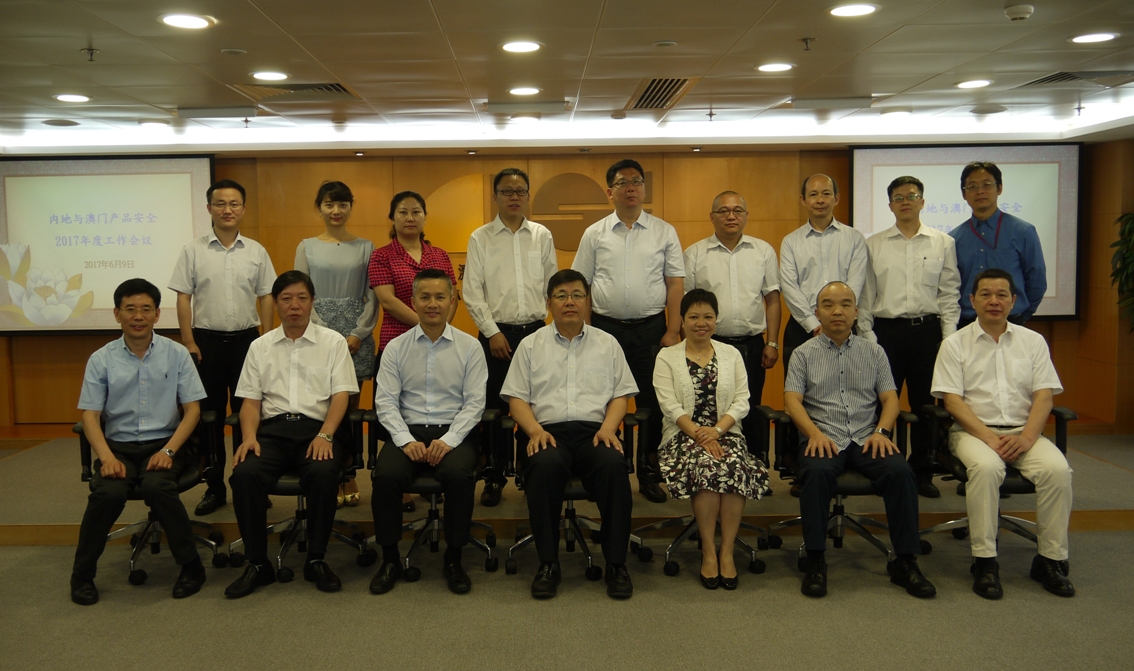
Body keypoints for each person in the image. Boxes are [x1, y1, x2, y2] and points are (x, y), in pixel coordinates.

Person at [784, 281, 935, 599]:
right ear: (817, 313)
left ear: (856, 312)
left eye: (844, 304)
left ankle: (905, 561)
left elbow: (891, 399)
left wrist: (882, 432)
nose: (836, 311)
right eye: (828, 305)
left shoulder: (874, 351)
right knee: (817, 472)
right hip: (823, 436)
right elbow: (792, 401)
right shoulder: (802, 354)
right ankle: (815, 559)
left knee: (901, 472)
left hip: (867, 437)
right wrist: (813, 434)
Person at [931, 268, 1074, 599]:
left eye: (1001, 295)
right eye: (985, 294)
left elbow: (1044, 397)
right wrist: (989, 438)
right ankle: (985, 561)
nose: (993, 301)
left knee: (1057, 471)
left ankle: (1050, 560)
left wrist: (1026, 438)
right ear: (972, 301)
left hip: (1024, 433)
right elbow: (952, 402)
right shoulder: (954, 344)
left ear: (1013, 301)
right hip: (972, 433)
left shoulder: (1033, 342)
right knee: (987, 468)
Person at [501, 269, 639, 600]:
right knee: (545, 466)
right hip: (546, 432)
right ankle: (548, 563)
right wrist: (534, 430)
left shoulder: (607, 343)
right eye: (561, 296)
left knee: (613, 466)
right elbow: (516, 398)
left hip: (595, 432)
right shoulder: (530, 345)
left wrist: (609, 428)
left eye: (577, 295)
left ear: (588, 301)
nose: (569, 302)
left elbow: (621, 395)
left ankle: (616, 564)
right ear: (549, 302)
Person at [71, 279, 208, 605]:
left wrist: (169, 450)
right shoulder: (101, 359)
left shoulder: (176, 354)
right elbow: (90, 416)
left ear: (157, 314)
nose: (138, 316)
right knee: (107, 492)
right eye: (130, 309)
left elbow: (193, 411)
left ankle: (191, 567)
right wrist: (106, 458)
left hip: (165, 444)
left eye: (146, 309)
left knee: (157, 486)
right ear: (117, 314)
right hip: (118, 448)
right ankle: (82, 574)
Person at [223, 270, 358, 598]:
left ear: (313, 302)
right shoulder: (260, 346)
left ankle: (316, 559)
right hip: (272, 432)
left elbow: (341, 395)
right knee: (245, 474)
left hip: (317, 429)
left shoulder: (333, 342)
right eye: (286, 299)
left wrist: (326, 435)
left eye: (301, 298)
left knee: (323, 472)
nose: (294, 305)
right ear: (275, 303)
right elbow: (250, 401)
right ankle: (258, 563)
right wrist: (249, 437)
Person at [368, 269, 488, 596]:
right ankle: (390, 559)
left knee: (460, 476)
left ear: (452, 301)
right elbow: (385, 401)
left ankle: (454, 559)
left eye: (439, 297)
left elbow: (475, 402)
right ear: (413, 301)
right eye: (425, 297)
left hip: (454, 432)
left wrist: (448, 441)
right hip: (407, 431)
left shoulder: (470, 347)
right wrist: (405, 440)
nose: (432, 304)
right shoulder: (395, 348)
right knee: (386, 476)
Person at [571, 158, 684, 504]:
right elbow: (581, 285)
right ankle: (608, 467)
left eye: (636, 182)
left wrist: (673, 330)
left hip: (652, 330)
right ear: (610, 192)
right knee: (602, 400)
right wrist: (585, 330)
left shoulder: (664, 231)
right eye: (623, 183)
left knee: (653, 403)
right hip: (605, 329)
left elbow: (675, 283)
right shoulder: (595, 233)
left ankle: (649, 471)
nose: (631, 188)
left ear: (644, 189)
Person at [169, 179, 277, 517]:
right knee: (210, 417)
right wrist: (188, 341)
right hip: (206, 343)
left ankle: (250, 483)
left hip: (248, 342)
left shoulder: (256, 251)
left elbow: (267, 296)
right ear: (209, 208)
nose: (227, 209)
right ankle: (214, 487)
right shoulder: (193, 250)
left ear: (243, 209)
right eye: (220, 204)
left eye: (234, 204)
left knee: (250, 414)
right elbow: (183, 297)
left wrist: (266, 339)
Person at [653, 289, 769, 590]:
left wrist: (717, 431)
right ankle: (708, 550)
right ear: (682, 320)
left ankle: (726, 552)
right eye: (693, 317)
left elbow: (742, 400)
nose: (701, 323)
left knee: (733, 465)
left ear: (716, 320)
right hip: (682, 435)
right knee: (707, 465)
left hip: (726, 432)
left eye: (708, 316)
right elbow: (669, 405)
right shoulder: (667, 356)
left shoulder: (732, 354)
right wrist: (700, 435)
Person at [858, 176, 962, 499]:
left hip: (927, 333)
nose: (906, 202)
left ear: (922, 202)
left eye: (912, 196)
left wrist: (948, 339)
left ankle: (922, 472)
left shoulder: (943, 242)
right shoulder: (873, 244)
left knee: (925, 406)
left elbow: (949, 294)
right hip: (885, 333)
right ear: (890, 205)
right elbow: (866, 295)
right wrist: (868, 337)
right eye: (899, 197)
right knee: (880, 404)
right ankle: (882, 469)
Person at [464, 168, 557, 507]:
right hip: (495, 336)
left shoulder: (542, 235)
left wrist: (547, 328)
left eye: (520, 191)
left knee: (535, 404)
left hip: (536, 332)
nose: (514, 197)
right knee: (495, 408)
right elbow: (472, 291)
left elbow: (552, 285)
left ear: (528, 195)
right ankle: (494, 475)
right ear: (495, 197)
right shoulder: (480, 238)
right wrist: (492, 332)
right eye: (507, 191)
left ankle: (530, 470)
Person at [368, 190, 458, 513]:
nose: (410, 218)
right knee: (398, 407)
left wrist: (439, 327)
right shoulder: (382, 256)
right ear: (392, 218)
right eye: (403, 212)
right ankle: (403, 486)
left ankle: (434, 470)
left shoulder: (439, 255)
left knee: (434, 405)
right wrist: (427, 323)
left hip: (440, 346)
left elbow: (452, 296)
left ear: (424, 217)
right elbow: (388, 300)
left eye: (416, 212)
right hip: (397, 343)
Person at [294, 180, 377, 508]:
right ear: (319, 208)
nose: (336, 210)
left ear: (351, 207)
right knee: (321, 404)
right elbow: (301, 293)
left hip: (356, 336)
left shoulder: (366, 247)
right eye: (329, 204)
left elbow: (372, 295)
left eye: (342, 204)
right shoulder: (307, 246)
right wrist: (324, 332)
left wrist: (359, 332)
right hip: (317, 331)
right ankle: (326, 468)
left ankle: (349, 471)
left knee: (351, 407)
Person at [683, 190, 781, 451]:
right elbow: (686, 305)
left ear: (746, 215)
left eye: (737, 211)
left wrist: (772, 343)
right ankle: (714, 458)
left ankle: (752, 460)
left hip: (752, 344)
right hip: (708, 345)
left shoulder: (762, 251)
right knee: (710, 406)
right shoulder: (695, 253)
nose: (731, 216)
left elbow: (772, 299)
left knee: (749, 405)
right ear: (712, 217)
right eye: (723, 211)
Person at [779, 174, 868, 376]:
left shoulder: (854, 238)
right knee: (799, 388)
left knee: (848, 386)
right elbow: (790, 287)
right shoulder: (791, 242)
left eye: (826, 194)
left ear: (836, 198)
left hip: (844, 327)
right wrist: (813, 323)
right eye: (813, 194)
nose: (820, 200)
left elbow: (855, 283)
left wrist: (839, 315)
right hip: (803, 328)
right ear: (803, 200)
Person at [951, 161, 1047, 327]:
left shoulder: (1023, 231)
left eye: (987, 184)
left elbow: (1036, 281)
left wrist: (1021, 315)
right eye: (972, 187)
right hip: (967, 323)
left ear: (999, 188)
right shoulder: (954, 238)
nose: (980, 191)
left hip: (1011, 321)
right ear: (964, 194)